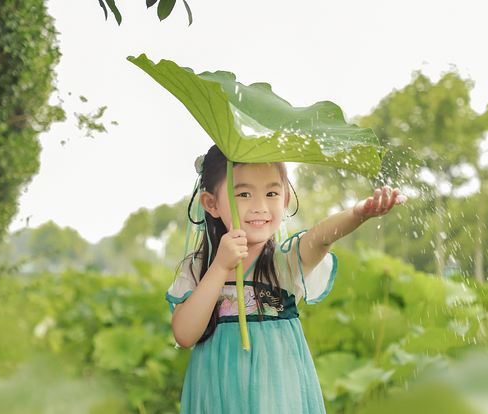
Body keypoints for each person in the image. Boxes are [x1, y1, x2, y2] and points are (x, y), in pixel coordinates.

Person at [166, 145, 407, 413]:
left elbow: (321, 236)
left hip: (278, 394)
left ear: (285, 201)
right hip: (218, 396)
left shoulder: (286, 260)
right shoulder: (199, 267)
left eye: (271, 193)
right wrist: (220, 266)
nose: (260, 207)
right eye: (243, 193)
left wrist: (357, 214)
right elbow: (185, 334)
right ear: (211, 203)